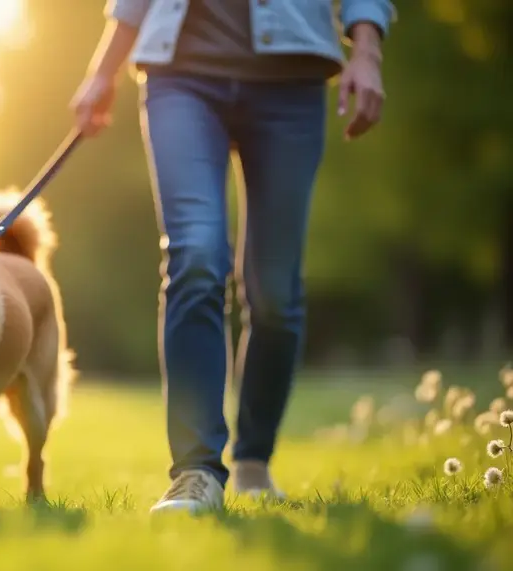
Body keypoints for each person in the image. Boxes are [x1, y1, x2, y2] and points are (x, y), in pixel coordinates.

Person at [70, 0, 395, 514]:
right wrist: (102, 71)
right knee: (194, 255)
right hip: (181, 73)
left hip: (293, 78)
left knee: (275, 291)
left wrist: (368, 50)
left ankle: (253, 463)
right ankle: (196, 472)